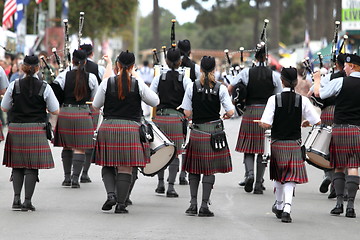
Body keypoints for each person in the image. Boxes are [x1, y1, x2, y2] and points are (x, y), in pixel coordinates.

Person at [92, 51, 159, 214]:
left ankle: (111, 195)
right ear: (132, 67)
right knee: (126, 168)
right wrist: (137, 79)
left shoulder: (107, 83)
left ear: (117, 65)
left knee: (108, 163)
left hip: (108, 127)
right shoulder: (138, 84)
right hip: (131, 129)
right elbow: (155, 101)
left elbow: (96, 104)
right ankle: (121, 204)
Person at [259, 67, 320, 223]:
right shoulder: (303, 100)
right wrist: (305, 121)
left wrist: (262, 124)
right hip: (294, 143)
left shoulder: (274, 99)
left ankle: (279, 205)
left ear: (282, 81)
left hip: (278, 143)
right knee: (290, 177)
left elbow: (266, 123)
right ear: (295, 82)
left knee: (279, 176)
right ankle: (286, 208)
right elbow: (317, 121)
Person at [1, 55, 59, 211]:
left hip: (17, 128)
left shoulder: (14, 85)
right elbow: (55, 110)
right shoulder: (45, 87)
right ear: (38, 68)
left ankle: (16, 200)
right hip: (36, 129)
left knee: (17, 165)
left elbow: (4, 107)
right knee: (31, 167)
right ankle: (27, 201)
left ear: (22, 68)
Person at [181, 56, 234, 217]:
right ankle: (204, 206)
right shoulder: (221, 88)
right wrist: (225, 116)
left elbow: (187, 112)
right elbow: (231, 111)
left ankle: (192, 204)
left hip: (197, 132)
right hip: (214, 133)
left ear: (201, 69)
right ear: (214, 70)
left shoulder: (192, 86)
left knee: (194, 169)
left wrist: (192, 115)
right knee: (209, 170)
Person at [228, 44, 282, 194]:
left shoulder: (246, 72)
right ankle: (258, 183)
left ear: (255, 57)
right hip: (266, 112)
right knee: (262, 149)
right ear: (266, 57)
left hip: (250, 111)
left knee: (249, 147)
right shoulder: (274, 75)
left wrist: (236, 102)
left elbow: (231, 88)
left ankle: (250, 174)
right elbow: (278, 96)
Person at [314, 53, 360, 218]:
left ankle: (339, 204)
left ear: (352, 66)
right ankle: (351, 207)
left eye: (346, 66)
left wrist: (318, 80)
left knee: (339, 166)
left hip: (340, 129)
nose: (344, 69)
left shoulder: (340, 81)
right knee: (353, 166)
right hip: (357, 130)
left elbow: (320, 94)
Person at [52, 49, 99, 188]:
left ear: (72, 61)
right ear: (85, 62)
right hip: (83, 113)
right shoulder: (91, 78)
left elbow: (55, 94)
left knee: (67, 147)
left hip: (66, 112)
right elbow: (94, 100)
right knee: (80, 148)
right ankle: (75, 179)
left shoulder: (62, 76)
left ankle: (66, 178)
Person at [150, 47, 192, 197]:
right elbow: (190, 99)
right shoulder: (185, 80)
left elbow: (151, 97)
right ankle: (171, 187)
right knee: (175, 154)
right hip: (177, 119)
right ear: (180, 62)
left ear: (166, 61)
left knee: (161, 151)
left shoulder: (158, 78)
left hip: (160, 118)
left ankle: (160, 184)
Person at [310, 53, 347, 198]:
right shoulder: (354, 79)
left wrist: (316, 80)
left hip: (328, 111)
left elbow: (314, 91)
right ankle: (339, 185)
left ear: (337, 65)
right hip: (346, 114)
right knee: (342, 149)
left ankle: (330, 177)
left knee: (326, 147)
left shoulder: (330, 77)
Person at [79, 43, 106, 183]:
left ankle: (70, 173)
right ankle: (84, 172)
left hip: (71, 107)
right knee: (90, 140)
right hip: (92, 107)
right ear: (91, 54)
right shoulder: (98, 69)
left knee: (72, 141)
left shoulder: (68, 69)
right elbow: (104, 86)